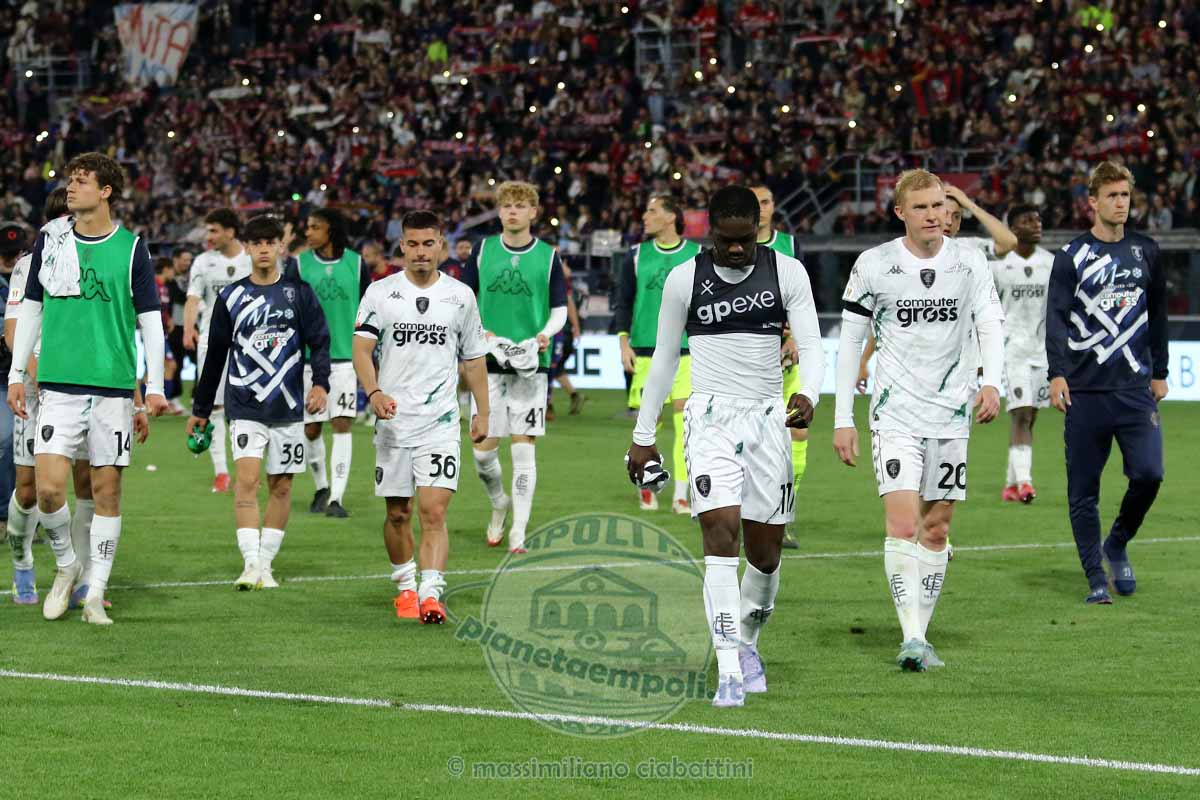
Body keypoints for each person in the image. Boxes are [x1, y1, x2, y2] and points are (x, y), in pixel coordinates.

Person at [627, 186, 824, 708]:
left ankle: (748, 642)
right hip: (710, 418)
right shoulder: (684, 278)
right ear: (709, 230)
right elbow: (665, 359)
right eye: (727, 240)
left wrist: (809, 392)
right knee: (720, 533)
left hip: (768, 419)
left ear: (758, 230)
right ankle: (729, 670)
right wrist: (643, 437)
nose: (737, 250)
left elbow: (811, 343)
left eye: (746, 239)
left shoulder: (787, 272)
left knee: (766, 555)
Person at [832, 169, 1005, 671]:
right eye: (922, 207)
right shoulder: (874, 264)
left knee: (937, 530)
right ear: (900, 212)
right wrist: (843, 418)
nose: (933, 215)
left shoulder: (969, 262)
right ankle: (911, 636)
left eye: (938, 206)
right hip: (895, 414)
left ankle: (920, 634)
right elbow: (849, 343)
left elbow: (990, 324)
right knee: (904, 523)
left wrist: (992, 381)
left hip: (951, 414)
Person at [7, 152, 169, 625]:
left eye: (81, 181)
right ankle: (66, 566)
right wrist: (16, 374)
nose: (71, 187)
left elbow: (150, 321)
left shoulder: (132, 249)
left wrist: (154, 387)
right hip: (58, 385)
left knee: (105, 491)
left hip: (112, 388)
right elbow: (32, 309)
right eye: (70, 180)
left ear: (106, 191)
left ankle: (95, 592)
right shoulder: (51, 239)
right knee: (48, 490)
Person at [353, 210, 489, 623]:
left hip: (440, 422)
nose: (420, 252)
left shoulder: (461, 296)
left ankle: (431, 594)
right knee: (398, 513)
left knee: (434, 511)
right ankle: (405, 587)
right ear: (402, 246)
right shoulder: (380, 293)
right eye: (412, 244)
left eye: (428, 243)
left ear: (441, 245)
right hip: (394, 422)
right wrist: (374, 392)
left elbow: (474, 359)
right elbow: (361, 349)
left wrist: (483, 411)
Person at [1046, 161, 1168, 605]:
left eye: (1125, 196)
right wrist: (1056, 372)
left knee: (1150, 475)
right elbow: (1056, 319)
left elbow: (1158, 315)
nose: (1121, 203)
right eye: (1112, 196)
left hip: (1134, 389)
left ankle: (1116, 542)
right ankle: (1096, 577)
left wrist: (1160, 372)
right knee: (1083, 492)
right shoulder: (1071, 256)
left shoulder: (1146, 251)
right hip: (1085, 391)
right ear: (1093, 202)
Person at [187, 215, 331, 590]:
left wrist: (321, 384)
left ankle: (265, 564)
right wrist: (201, 409)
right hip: (245, 404)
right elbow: (215, 356)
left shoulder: (299, 293)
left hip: (288, 406)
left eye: (270, 242)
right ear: (248, 248)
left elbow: (319, 341)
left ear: (280, 247)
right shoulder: (231, 297)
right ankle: (251, 563)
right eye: (257, 243)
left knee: (281, 487)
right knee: (247, 482)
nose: (264, 249)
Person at [4, 189, 108, 608]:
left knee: (87, 484)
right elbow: (14, 329)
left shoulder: (102, 260)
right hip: (38, 389)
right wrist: (32, 372)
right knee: (30, 490)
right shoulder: (29, 265)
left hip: (86, 385)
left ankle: (80, 576)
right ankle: (22, 563)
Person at [461, 181, 569, 553]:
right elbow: (464, 300)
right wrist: (481, 331)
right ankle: (498, 503)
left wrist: (544, 335)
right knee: (482, 452)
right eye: (507, 205)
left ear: (533, 212)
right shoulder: (482, 250)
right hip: (487, 363)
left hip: (530, 365)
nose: (512, 211)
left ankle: (518, 531)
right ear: (499, 210)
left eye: (520, 206)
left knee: (523, 451)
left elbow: (559, 310)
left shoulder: (548, 256)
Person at [615, 195, 699, 513]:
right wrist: (623, 342)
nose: (645, 216)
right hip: (646, 349)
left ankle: (681, 494)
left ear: (671, 217)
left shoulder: (697, 255)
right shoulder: (636, 255)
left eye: (652, 211)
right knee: (650, 422)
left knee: (685, 423)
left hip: (687, 349)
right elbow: (623, 301)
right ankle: (647, 484)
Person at [292, 208, 370, 518]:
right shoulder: (299, 265)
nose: (308, 232)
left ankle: (336, 497)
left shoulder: (356, 264)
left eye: (314, 227)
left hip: (345, 358)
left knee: (341, 423)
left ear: (331, 230)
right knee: (311, 428)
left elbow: (369, 308)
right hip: (308, 359)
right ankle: (321, 487)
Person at [752, 183, 808, 550]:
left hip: (788, 358)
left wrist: (794, 338)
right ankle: (752, 514)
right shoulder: (731, 250)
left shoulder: (790, 246)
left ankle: (783, 515)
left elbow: (803, 299)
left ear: (774, 207)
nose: (761, 208)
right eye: (754, 202)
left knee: (797, 434)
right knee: (754, 442)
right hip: (750, 364)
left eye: (766, 201)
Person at [989, 204, 1054, 503]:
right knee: (1022, 413)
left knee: (1030, 417)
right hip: (1011, 350)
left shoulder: (1051, 263)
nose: (1036, 224)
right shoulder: (998, 265)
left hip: (1041, 352)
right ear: (1013, 229)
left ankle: (1010, 484)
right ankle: (1025, 484)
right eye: (1028, 220)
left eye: (1038, 219)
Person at [185, 209, 252, 492]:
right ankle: (221, 473)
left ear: (230, 231)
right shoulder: (203, 261)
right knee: (212, 405)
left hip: (249, 342)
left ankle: (247, 470)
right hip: (212, 342)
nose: (208, 236)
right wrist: (189, 327)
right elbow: (193, 298)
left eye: (214, 230)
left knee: (248, 407)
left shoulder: (251, 258)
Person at [546, 260, 585, 421]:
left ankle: (548, 404)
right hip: (549, 329)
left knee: (551, 367)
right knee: (554, 368)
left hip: (557, 331)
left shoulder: (559, 279)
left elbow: (569, 303)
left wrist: (575, 326)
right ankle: (573, 395)